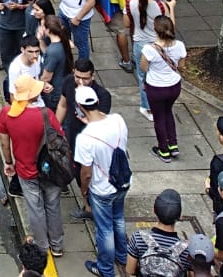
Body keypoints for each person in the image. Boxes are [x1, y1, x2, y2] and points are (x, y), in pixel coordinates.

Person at [0, 74, 64, 259]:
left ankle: (42, 246)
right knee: (53, 205)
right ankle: (57, 245)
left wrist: (9, 162)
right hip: (50, 169)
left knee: (35, 208)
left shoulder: (7, 114)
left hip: (26, 170)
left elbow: (4, 142)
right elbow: (60, 137)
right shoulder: (47, 114)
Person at [73, 86, 129, 277]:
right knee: (119, 219)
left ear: (80, 106)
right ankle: (123, 256)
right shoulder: (118, 120)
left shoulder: (85, 138)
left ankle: (105, 269)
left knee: (104, 229)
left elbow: (86, 172)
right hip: (122, 181)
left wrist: (84, 191)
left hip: (102, 189)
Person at [140, 15, 186, 162]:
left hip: (156, 88)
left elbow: (144, 68)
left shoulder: (149, 49)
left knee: (158, 117)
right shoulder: (180, 45)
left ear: (155, 30)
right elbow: (181, 66)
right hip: (174, 86)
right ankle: (173, 144)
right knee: (168, 112)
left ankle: (163, 150)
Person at [125, 188, 189, 277]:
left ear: (154, 210)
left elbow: (130, 270)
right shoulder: (186, 250)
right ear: (180, 216)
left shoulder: (138, 238)